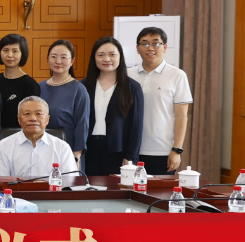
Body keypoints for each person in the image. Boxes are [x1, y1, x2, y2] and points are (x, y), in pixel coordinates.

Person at [127, 27, 192, 175]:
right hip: (131, 149)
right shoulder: (127, 74)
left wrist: (177, 150)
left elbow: (182, 116)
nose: (150, 48)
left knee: (159, 190)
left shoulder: (177, 75)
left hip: (162, 151)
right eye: (145, 43)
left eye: (156, 43)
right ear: (137, 48)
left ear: (165, 47)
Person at [82, 37, 145, 176]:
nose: (106, 59)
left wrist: (131, 157)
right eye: (101, 55)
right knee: (88, 187)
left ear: (120, 57)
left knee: (114, 188)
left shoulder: (132, 88)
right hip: (88, 150)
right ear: (94, 58)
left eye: (112, 54)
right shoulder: (84, 86)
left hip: (118, 152)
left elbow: (136, 126)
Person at [0, 96, 79, 179]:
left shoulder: (62, 147)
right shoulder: (3, 146)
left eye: (38, 114)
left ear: (47, 119)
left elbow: (70, 182)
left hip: (51, 191)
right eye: (27, 114)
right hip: (14, 191)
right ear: (19, 119)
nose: (33, 118)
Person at [38, 39, 90, 161]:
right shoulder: (39, 87)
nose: (58, 61)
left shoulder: (79, 89)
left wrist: (77, 155)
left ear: (72, 61)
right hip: (41, 149)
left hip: (68, 151)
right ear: (47, 59)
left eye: (63, 57)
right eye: (54, 56)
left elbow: (82, 124)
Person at [0, 34, 40, 130]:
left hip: (19, 135)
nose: (10, 55)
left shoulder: (30, 85)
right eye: (5, 50)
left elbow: (31, 118)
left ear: (22, 54)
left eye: (15, 51)